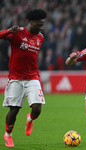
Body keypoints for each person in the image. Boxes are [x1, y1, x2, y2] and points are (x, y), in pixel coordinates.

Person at [0, 9, 47, 147]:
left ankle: (30, 119)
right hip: (15, 78)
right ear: (31, 22)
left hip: (32, 77)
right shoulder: (17, 33)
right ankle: (8, 135)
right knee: (14, 111)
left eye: (42, 25)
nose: (41, 27)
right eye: (39, 25)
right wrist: (9, 31)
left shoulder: (40, 38)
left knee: (37, 108)